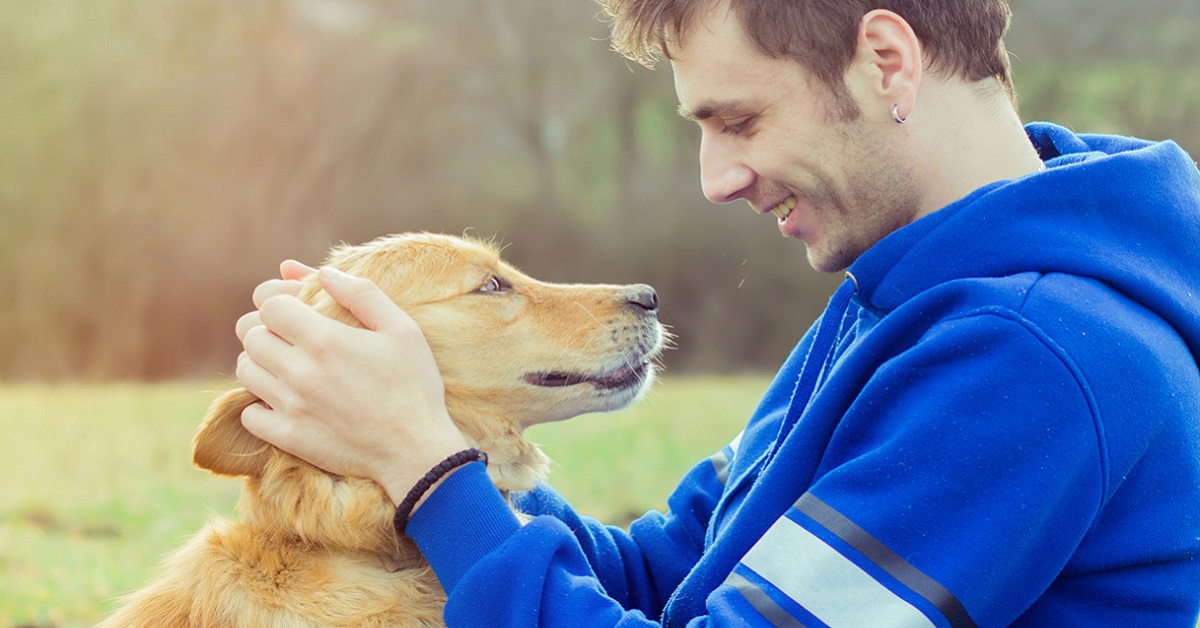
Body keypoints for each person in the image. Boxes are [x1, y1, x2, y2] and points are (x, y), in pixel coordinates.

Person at [234, 0, 1200, 625]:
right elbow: (665, 569)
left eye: (739, 121)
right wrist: (433, 429)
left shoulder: (1031, 356)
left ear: (888, 61)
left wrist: (428, 472)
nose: (716, 178)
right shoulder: (909, 294)